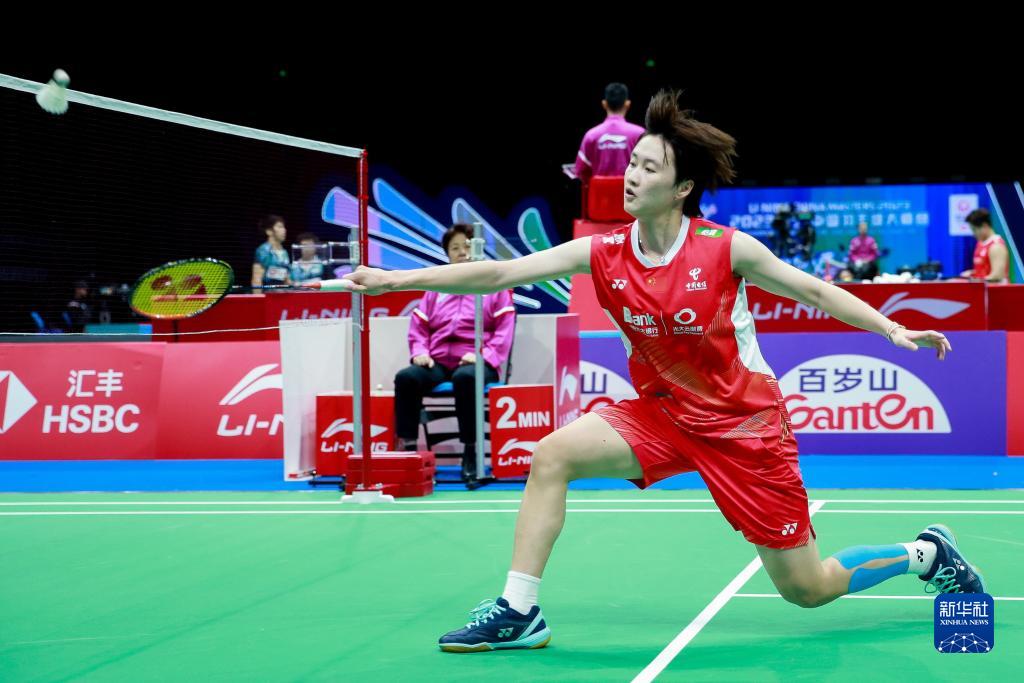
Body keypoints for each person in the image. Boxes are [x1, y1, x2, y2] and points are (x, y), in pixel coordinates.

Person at [343, 90, 981, 654]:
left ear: (681, 189)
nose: (631, 174)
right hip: (665, 416)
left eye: (650, 167)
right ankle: (519, 609)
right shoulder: (603, 252)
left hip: (745, 427)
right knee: (552, 455)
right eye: (632, 162)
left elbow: (813, 290)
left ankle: (925, 555)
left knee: (806, 588)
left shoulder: (724, 249)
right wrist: (399, 280)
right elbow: (502, 272)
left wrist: (892, 329)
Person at [393, 224, 516, 485]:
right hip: (438, 361)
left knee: (465, 378)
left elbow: (505, 330)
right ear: (447, 254)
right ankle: (409, 451)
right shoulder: (436, 289)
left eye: (466, 246)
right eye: (454, 248)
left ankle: (470, 453)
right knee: (407, 378)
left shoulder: (494, 287)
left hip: (477, 362)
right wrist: (420, 352)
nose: (461, 252)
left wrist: (483, 355)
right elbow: (419, 327)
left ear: (477, 249)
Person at [573, 83, 646, 182]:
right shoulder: (640, 134)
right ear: (627, 104)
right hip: (630, 191)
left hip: (598, 192)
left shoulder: (591, 135)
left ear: (604, 104)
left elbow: (580, 171)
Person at [960, 208, 1009, 283]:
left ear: (984, 226)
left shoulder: (996, 246)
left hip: (996, 290)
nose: (973, 234)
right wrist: (972, 273)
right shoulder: (981, 243)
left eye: (974, 229)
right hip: (983, 289)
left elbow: (997, 276)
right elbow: (985, 270)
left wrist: (973, 281)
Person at [251, 215, 290, 287]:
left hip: (283, 291)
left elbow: (287, 278)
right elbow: (257, 279)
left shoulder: (285, 252)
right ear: (269, 231)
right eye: (280, 227)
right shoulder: (263, 251)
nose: (284, 230)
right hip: (268, 291)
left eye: (284, 227)